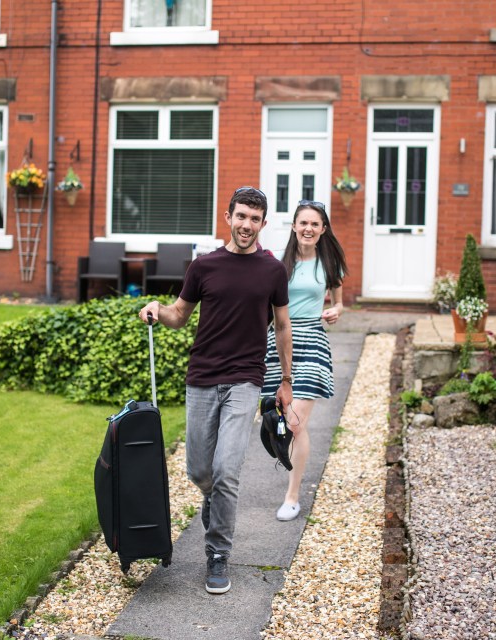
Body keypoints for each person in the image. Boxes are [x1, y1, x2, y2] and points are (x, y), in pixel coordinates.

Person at [138, 186, 293, 595]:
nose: (246, 225)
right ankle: (212, 500)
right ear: (228, 217)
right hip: (202, 377)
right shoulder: (203, 266)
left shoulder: (273, 271)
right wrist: (157, 309)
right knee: (200, 471)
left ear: (263, 224)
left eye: (254, 219)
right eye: (240, 216)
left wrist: (286, 380)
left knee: (227, 471)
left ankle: (218, 553)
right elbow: (179, 315)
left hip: (245, 379)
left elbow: (282, 325)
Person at [261, 199, 348, 522]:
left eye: (315, 224)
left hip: (312, 339)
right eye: (303, 223)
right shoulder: (276, 265)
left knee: (296, 422)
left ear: (323, 229)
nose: (308, 229)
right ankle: (276, 432)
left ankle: (292, 496)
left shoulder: (329, 264)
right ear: (294, 227)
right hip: (279, 341)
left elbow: (339, 303)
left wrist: (335, 311)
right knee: (283, 417)